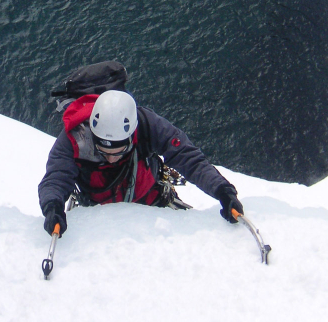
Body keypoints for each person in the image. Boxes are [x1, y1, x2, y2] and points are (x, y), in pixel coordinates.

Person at [38, 89, 243, 236]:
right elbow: (56, 177)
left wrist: (223, 191)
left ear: (131, 135)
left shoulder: (147, 125)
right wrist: (53, 207)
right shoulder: (74, 138)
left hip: (151, 199)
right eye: (104, 150)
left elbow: (188, 158)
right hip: (99, 207)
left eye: (118, 152)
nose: (111, 158)